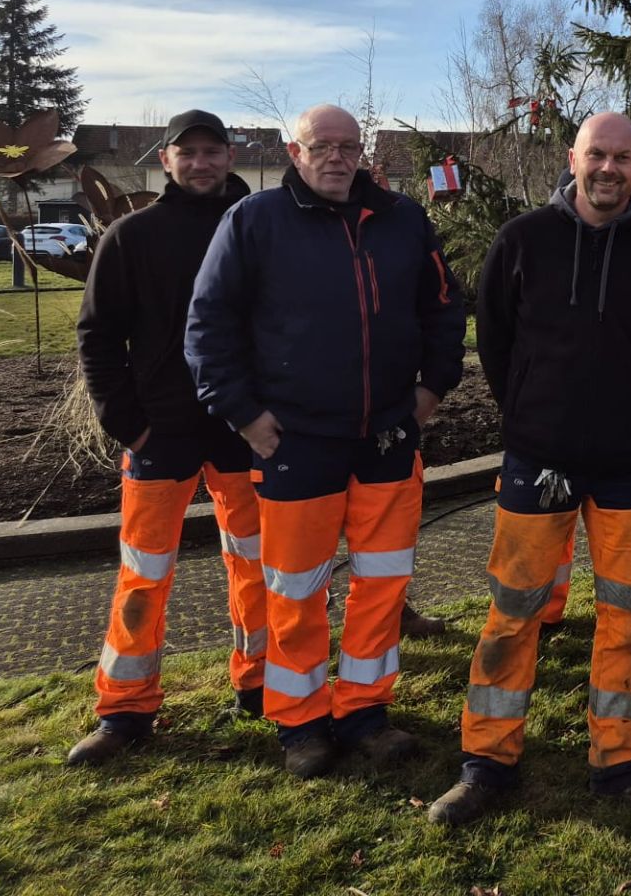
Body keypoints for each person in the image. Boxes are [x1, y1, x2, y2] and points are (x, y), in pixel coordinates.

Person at [428, 113, 631, 827]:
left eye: (623, 158)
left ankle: (622, 760)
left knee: (628, 618)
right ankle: (487, 760)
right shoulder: (522, 239)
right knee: (513, 614)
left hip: (630, 463)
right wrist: (532, 414)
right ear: (572, 158)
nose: (609, 169)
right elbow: (496, 342)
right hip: (537, 460)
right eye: (596, 154)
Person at [187, 104, 466, 778]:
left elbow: (443, 308)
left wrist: (432, 389)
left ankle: (365, 710)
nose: (336, 158)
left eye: (347, 146)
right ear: (295, 151)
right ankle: (301, 721)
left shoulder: (403, 219)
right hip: (297, 441)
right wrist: (244, 416)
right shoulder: (254, 221)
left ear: (361, 151)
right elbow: (209, 326)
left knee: (383, 584)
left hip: (387, 438)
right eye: (321, 146)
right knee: (295, 590)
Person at [68, 110, 261, 765]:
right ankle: (125, 709)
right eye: (188, 152)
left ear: (229, 155)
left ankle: (260, 682)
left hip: (245, 429)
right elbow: (98, 335)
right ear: (167, 160)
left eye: (212, 151)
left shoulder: (259, 228)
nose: (201, 162)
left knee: (258, 564)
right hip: (160, 431)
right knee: (144, 573)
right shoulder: (133, 235)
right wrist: (128, 423)